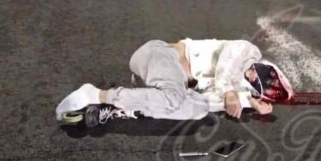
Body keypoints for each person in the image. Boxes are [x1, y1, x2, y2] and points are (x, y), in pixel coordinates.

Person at [56, 39, 293, 127]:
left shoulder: (237, 86)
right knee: (176, 98)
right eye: (258, 73)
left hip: (164, 82)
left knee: (199, 109)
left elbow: (216, 97)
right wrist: (232, 94)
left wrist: (249, 102)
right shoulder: (248, 51)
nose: (252, 76)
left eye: (255, 83)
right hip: (158, 55)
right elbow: (227, 63)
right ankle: (97, 95)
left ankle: (125, 108)